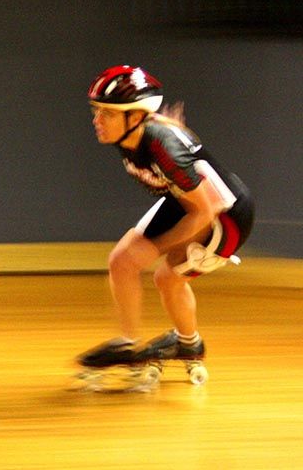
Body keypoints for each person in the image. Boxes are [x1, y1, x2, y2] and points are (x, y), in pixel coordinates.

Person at [77, 65, 253, 372]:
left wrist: (158, 246)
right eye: (97, 111)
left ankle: (189, 345)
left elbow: (205, 210)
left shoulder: (162, 145)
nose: (97, 120)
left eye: (107, 113)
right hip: (185, 201)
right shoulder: (135, 135)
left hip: (225, 215)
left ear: (134, 116)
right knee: (121, 261)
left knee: (167, 278)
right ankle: (131, 345)